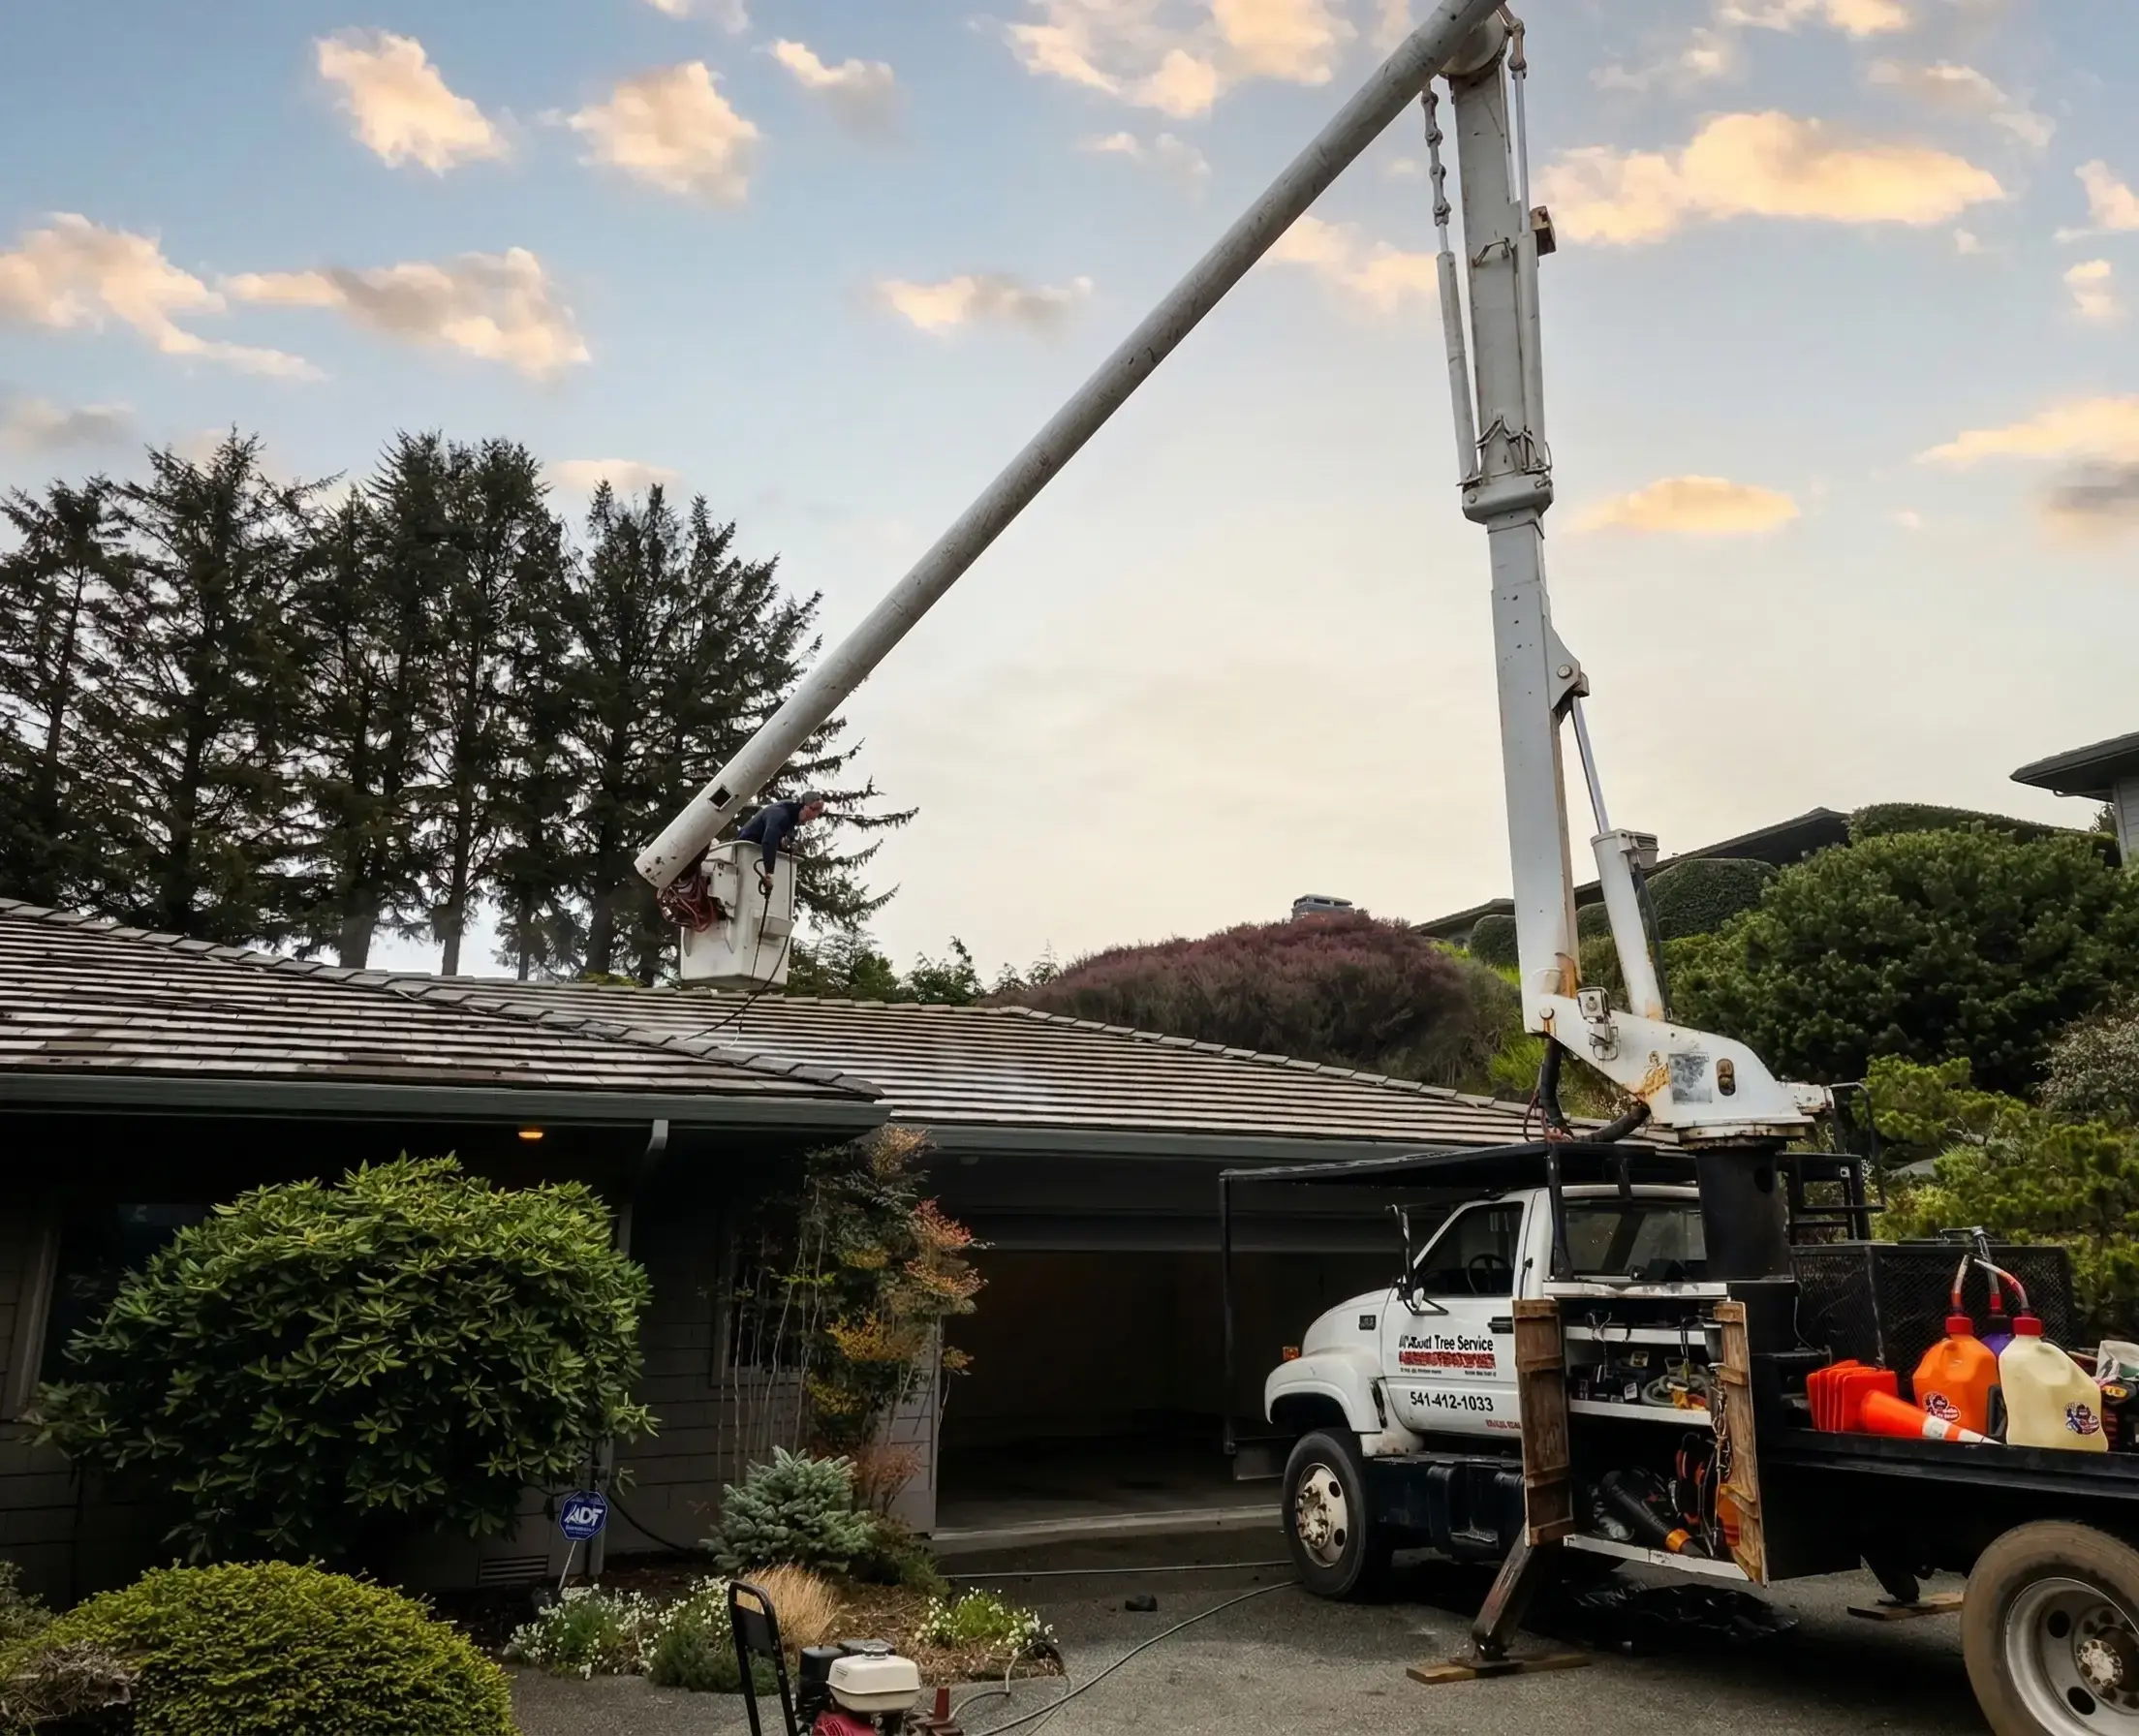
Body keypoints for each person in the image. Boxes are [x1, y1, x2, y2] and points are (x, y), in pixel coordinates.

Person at [735, 793, 827, 888]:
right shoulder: (780, 814)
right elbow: (769, 840)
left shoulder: (791, 814)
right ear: (804, 807)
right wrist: (769, 873)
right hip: (745, 847)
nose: (805, 822)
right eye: (808, 818)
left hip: (755, 848)